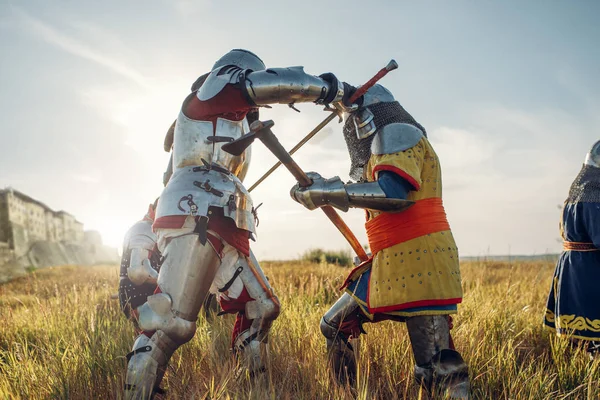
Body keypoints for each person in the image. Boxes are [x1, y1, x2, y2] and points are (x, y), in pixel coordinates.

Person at [124, 49, 356, 399]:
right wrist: (330, 90)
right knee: (170, 324)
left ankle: (255, 391)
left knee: (261, 307)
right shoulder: (212, 91)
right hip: (197, 211)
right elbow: (261, 86)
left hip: (225, 216)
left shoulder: (227, 118)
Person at [290, 84, 469, 398]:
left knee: (434, 368)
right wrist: (320, 189)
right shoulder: (386, 144)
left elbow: (393, 194)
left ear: (367, 114)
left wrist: (327, 191)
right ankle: (348, 394)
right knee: (334, 325)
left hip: (420, 256)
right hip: (391, 257)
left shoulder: (398, 133)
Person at [544, 140, 600, 359]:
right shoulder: (595, 200)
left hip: (571, 266)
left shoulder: (573, 197)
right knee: (592, 330)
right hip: (588, 269)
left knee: (579, 335)